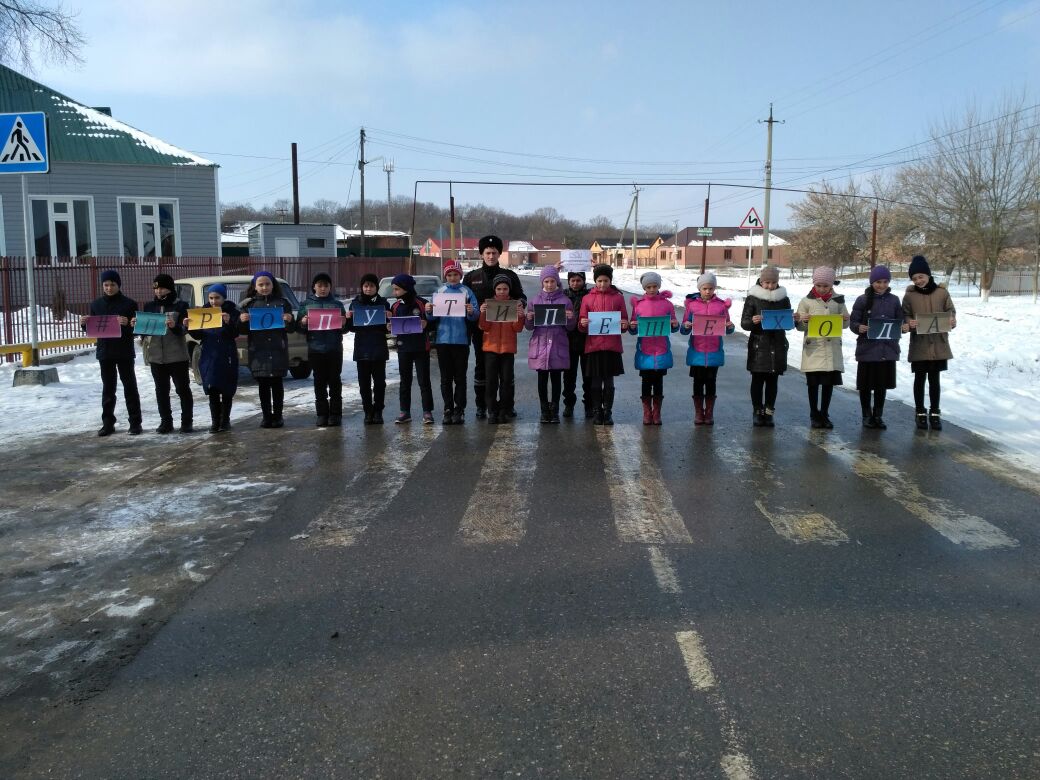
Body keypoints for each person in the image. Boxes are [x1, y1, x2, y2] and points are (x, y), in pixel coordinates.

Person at [463, 235, 526, 418]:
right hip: (480, 330)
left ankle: (508, 406)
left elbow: (521, 297)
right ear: (481, 254)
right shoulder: (471, 277)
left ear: (499, 254)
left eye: (494, 253)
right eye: (488, 253)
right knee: (482, 368)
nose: (491, 256)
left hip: (506, 332)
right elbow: (463, 301)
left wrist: (520, 304)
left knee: (506, 373)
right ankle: (482, 405)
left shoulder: (510, 276)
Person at [81, 269, 142, 437]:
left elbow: (136, 329)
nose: (109, 288)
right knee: (108, 389)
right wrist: (84, 324)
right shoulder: (96, 304)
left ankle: (135, 423)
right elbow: (93, 329)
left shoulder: (129, 304)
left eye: (112, 284)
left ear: (118, 285)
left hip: (124, 352)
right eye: (106, 285)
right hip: (105, 352)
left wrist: (128, 324)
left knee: (130, 387)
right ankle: (108, 423)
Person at [901, 254, 956, 431]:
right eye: (914, 278)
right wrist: (908, 322)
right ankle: (919, 412)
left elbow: (951, 311)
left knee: (934, 379)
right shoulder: (909, 296)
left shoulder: (942, 293)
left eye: (921, 276)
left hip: (938, 343)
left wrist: (952, 320)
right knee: (919, 379)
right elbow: (905, 314)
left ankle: (934, 412)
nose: (918, 281)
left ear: (928, 275)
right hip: (919, 343)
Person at [850, 265, 908, 430]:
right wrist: (858, 327)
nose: (881, 285)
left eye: (885, 282)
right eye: (878, 282)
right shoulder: (862, 300)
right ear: (872, 282)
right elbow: (853, 321)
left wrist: (904, 326)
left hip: (887, 349)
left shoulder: (894, 300)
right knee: (866, 385)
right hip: (867, 349)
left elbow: (900, 320)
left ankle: (878, 415)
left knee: (882, 385)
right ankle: (866, 415)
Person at [795, 265, 850, 429]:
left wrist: (846, 318)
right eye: (818, 285)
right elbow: (799, 327)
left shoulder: (838, 301)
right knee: (813, 384)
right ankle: (814, 413)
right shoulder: (806, 301)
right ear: (814, 284)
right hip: (814, 349)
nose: (822, 289)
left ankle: (824, 413)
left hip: (831, 349)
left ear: (832, 284)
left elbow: (845, 324)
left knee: (828, 384)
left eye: (825, 286)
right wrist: (803, 320)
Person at [239, 271, 296, 428]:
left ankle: (278, 416)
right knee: (263, 386)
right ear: (255, 286)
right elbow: (242, 331)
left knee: (277, 385)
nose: (264, 287)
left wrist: (290, 320)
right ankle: (266, 416)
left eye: (267, 284)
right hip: (258, 351)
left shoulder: (282, 303)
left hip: (278, 350)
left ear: (273, 285)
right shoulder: (248, 305)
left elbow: (291, 329)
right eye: (261, 284)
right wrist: (242, 321)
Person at [138, 273, 193, 434]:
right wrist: (138, 326)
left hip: (177, 356)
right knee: (161, 391)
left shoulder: (181, 306)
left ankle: (187, 422)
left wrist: (175, 327)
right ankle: (166, 422)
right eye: (155, 288)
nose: (158, 291)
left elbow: (185, 330)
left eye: (162, 288)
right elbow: (144, 332)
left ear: (170, 289)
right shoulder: (149, 306)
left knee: (182, 390)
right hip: (156, 356)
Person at [426, 261, 478, 424]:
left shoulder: (467, 291)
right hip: (443, 340)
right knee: (445, 378)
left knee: (460, 377)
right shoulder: (439, 291)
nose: (453, 277)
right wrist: (428, 311)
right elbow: (432, 317)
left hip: (461, 340)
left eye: (456, 274)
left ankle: (459, 409)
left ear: (460, 275)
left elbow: (475, 315)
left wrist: (471, 312)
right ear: (445, 276)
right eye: (449, 275)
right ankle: (447, 408)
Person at [680, 271, 734, 426]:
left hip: (713, 351)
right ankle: (699, 412)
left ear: (714, 288)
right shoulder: (692, 305)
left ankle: (709, 412)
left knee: (711, 382)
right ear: (699, 289)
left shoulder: (721, 306)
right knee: (697, 382)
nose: (708, 291)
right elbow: (684, 328)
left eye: (711, 288)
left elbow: (727, 326)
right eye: (704, 288)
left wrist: (730, 327)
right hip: (697, 351)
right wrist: (686, 326)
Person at [578, 264, 629, 426]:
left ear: (610, 281)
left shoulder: (618, 297)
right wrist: (583, 323)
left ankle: (607, 412)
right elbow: (581, 322)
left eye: (606, 280)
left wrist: (624, 324)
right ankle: (596, 411)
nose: (602, 284)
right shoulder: (587, 298)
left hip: (612, 346)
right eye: (599, 281)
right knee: (595, 381)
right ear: (595, 281)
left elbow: (624, 320)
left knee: (609, 381)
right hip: (594, 346)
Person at [740, 265, 790, 427]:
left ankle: (769, 412)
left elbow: (788, 322)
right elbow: (744, 323)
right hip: (759, 346)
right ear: (761, 282)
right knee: (757, 380)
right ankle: (757, 411)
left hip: (778, 345)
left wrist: (793, 319)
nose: (770, 286)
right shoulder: (753, 298)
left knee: (772, 382)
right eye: (767, 282)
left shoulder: (783, 298)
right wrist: (752, 321)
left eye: (773, 283)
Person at [297, 272, 348, 427]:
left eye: (326, 285)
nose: (323, 288)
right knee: (319, 382)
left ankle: (335, 414)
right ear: (314, 287)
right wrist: (302, 322)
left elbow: (344, 329)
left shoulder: (337, 304)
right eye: (320, 285)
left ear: (330, 287)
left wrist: (344, 323)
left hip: (334, 349)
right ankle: (322, 414)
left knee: (334, 381)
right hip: (315, 349)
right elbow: (298, 328)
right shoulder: (305, 305)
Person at [525, 265, 574, 423]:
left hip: (558, 344)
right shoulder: (535, 301)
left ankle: (555, 410)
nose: (549, 284)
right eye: (546, 281)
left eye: (552, 281)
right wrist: (529, 319)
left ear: (557, 282)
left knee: (556, 379)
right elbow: (529, 327)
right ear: (542, 282)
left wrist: (570, 318)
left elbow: (570, 327)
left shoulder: (565, 301)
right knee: (542, 380)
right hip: (540, 345)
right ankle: (544, 410)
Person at [187, 283, 239, 433]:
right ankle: (215, 422)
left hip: (227, 356)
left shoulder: (232, 311)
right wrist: (190, 326)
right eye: (211, 298)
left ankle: (225, 420)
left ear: (224, 298)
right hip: (209, 357)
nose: (214, 301)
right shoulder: (203, 313)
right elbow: (198, 335)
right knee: (212, 390)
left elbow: (235, 333)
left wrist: (228, 322)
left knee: (227, 390)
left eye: (217, 298)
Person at [628, 271, 678, 425]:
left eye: (654, 286)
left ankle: (656, 413)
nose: (651, 289)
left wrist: (675, 324)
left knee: (658, 382)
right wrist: (632, 326)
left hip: (661, 349)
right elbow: (633, 328)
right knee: (646, 382)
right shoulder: (639, 305)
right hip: (645, 351)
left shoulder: (667, 304)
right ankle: (647, 412)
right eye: (648, 287)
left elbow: (674, 325)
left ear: (659, 286)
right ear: (644, 288)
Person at [478, 275, 525, 424]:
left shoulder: (514, 305)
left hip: (507, 349)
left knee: (506, 382)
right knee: (491, 382)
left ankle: (504, 410)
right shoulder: (488, 304)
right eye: (499, 289)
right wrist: (482, 313)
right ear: (494, 289)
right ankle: (492, 411)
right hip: (490, 348)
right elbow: (484, 326)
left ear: (509, 289)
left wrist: (520, 317)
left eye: (505, 288)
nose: (502, 291)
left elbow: (517, 329)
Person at [389, 273, 434, 424]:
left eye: (396, 289)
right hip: (403, 348)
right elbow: (392, 326)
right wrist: (389, 327)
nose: (394, 292)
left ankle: (427, 411)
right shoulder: (395, 306)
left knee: (424, 381)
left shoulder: (422, 303)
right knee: (405, 381)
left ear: (406, 288)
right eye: (393, 289)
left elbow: (433, 322)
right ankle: (405, 411)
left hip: (421, 347)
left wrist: (426, 324)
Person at [348, 273, 391, 424]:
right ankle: (368, 411)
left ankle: (378, 411)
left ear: (376, 288)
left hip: (378, 348)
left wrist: (389, 318)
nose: (368, 289)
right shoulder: (355, 304)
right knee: (364, 384)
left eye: (371, 286)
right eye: (365, 286)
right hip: (362, 349)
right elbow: (351, 328)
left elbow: (388, 329)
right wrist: (348, 319)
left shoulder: (383, 304)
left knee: (379, 383)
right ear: (362, 287)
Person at [562, 271, 591, 418]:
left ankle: (589, 404)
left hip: (587, 340)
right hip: (568, 341)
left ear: (584, 281)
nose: (575, 283)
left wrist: (597, 268)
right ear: (568, 281)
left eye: (578, 280)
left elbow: (607, 285)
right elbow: (547, 288)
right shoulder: (562, 295)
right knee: (569, 376)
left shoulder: (590, 294)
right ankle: (569, 404)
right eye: (572, 280)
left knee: (588, 375)